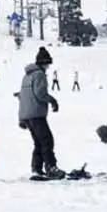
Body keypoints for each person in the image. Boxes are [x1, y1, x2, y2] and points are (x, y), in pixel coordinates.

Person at [17, 47, 61, 179]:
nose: (48, 67)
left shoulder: (26, 76)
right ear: (43, 63)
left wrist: (21, 118)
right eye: (47, 64)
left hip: (27, 114)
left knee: (38, 142)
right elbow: (40, 93)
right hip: (37, 114)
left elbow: (22, 97)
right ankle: (51, 167)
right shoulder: (39, 74)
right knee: (47, 141)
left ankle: (36, 168)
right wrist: (53, 100)